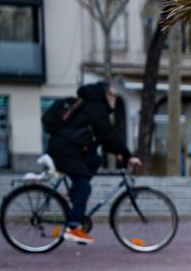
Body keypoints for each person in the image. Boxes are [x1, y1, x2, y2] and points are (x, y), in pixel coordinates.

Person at [47, 82, 142, 244]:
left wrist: (119, 153)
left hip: (69, 151)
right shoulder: (96, 108)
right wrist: (128, 156)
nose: (114, 98)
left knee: (96, 160)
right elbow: (109, 133)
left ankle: (74, 193)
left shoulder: (90, 107)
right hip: (65, 152)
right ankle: (73, 228)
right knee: (85, 187)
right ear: (105, 95)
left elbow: (103, 139)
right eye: (112, 95)